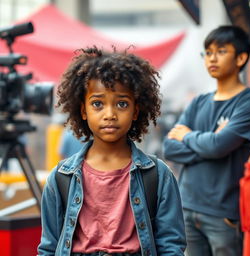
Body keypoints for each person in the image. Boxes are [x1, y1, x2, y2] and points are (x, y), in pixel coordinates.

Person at [38, 46, 186, 256]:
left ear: (136, 111)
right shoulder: (61, 178)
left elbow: (171, 246)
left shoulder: (158, 175)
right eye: (97, 103)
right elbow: (48, 247)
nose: (110, 114)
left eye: (122, 104)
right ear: (83, 110)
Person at [163, 25, 250, 256]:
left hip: (223, 212)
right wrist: (213, 143)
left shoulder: (249, 103)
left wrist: (188, 136)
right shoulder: (198, 102)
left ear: (241, 57)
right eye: (208, 52)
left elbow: (218, 146)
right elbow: (170, 148)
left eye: (221, 51)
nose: (212, 58)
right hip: (187, 207)